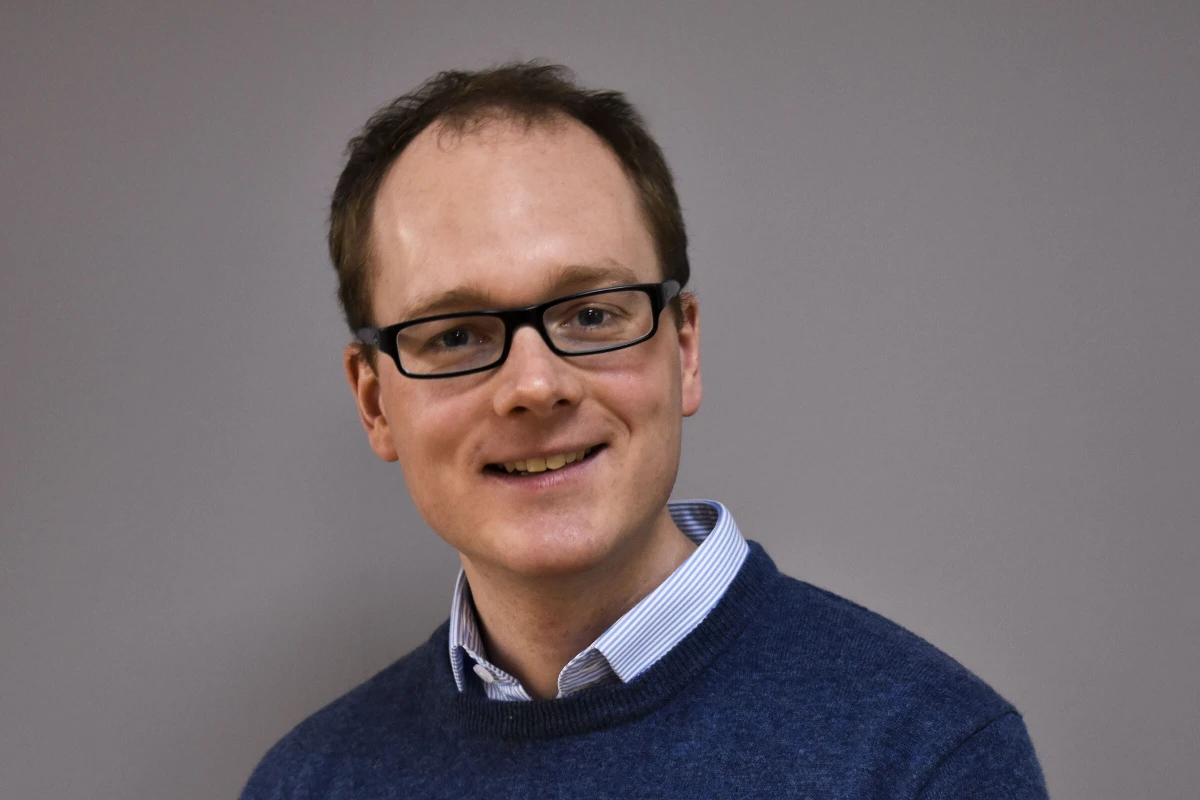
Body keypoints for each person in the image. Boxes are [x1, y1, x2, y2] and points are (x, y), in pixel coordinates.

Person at [240, 62, 1048, 799]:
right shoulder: (304, 784)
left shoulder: (927, 759)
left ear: (684, 350)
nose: (535, 386)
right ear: (375, 402)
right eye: (455, 335)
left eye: (592, 315)